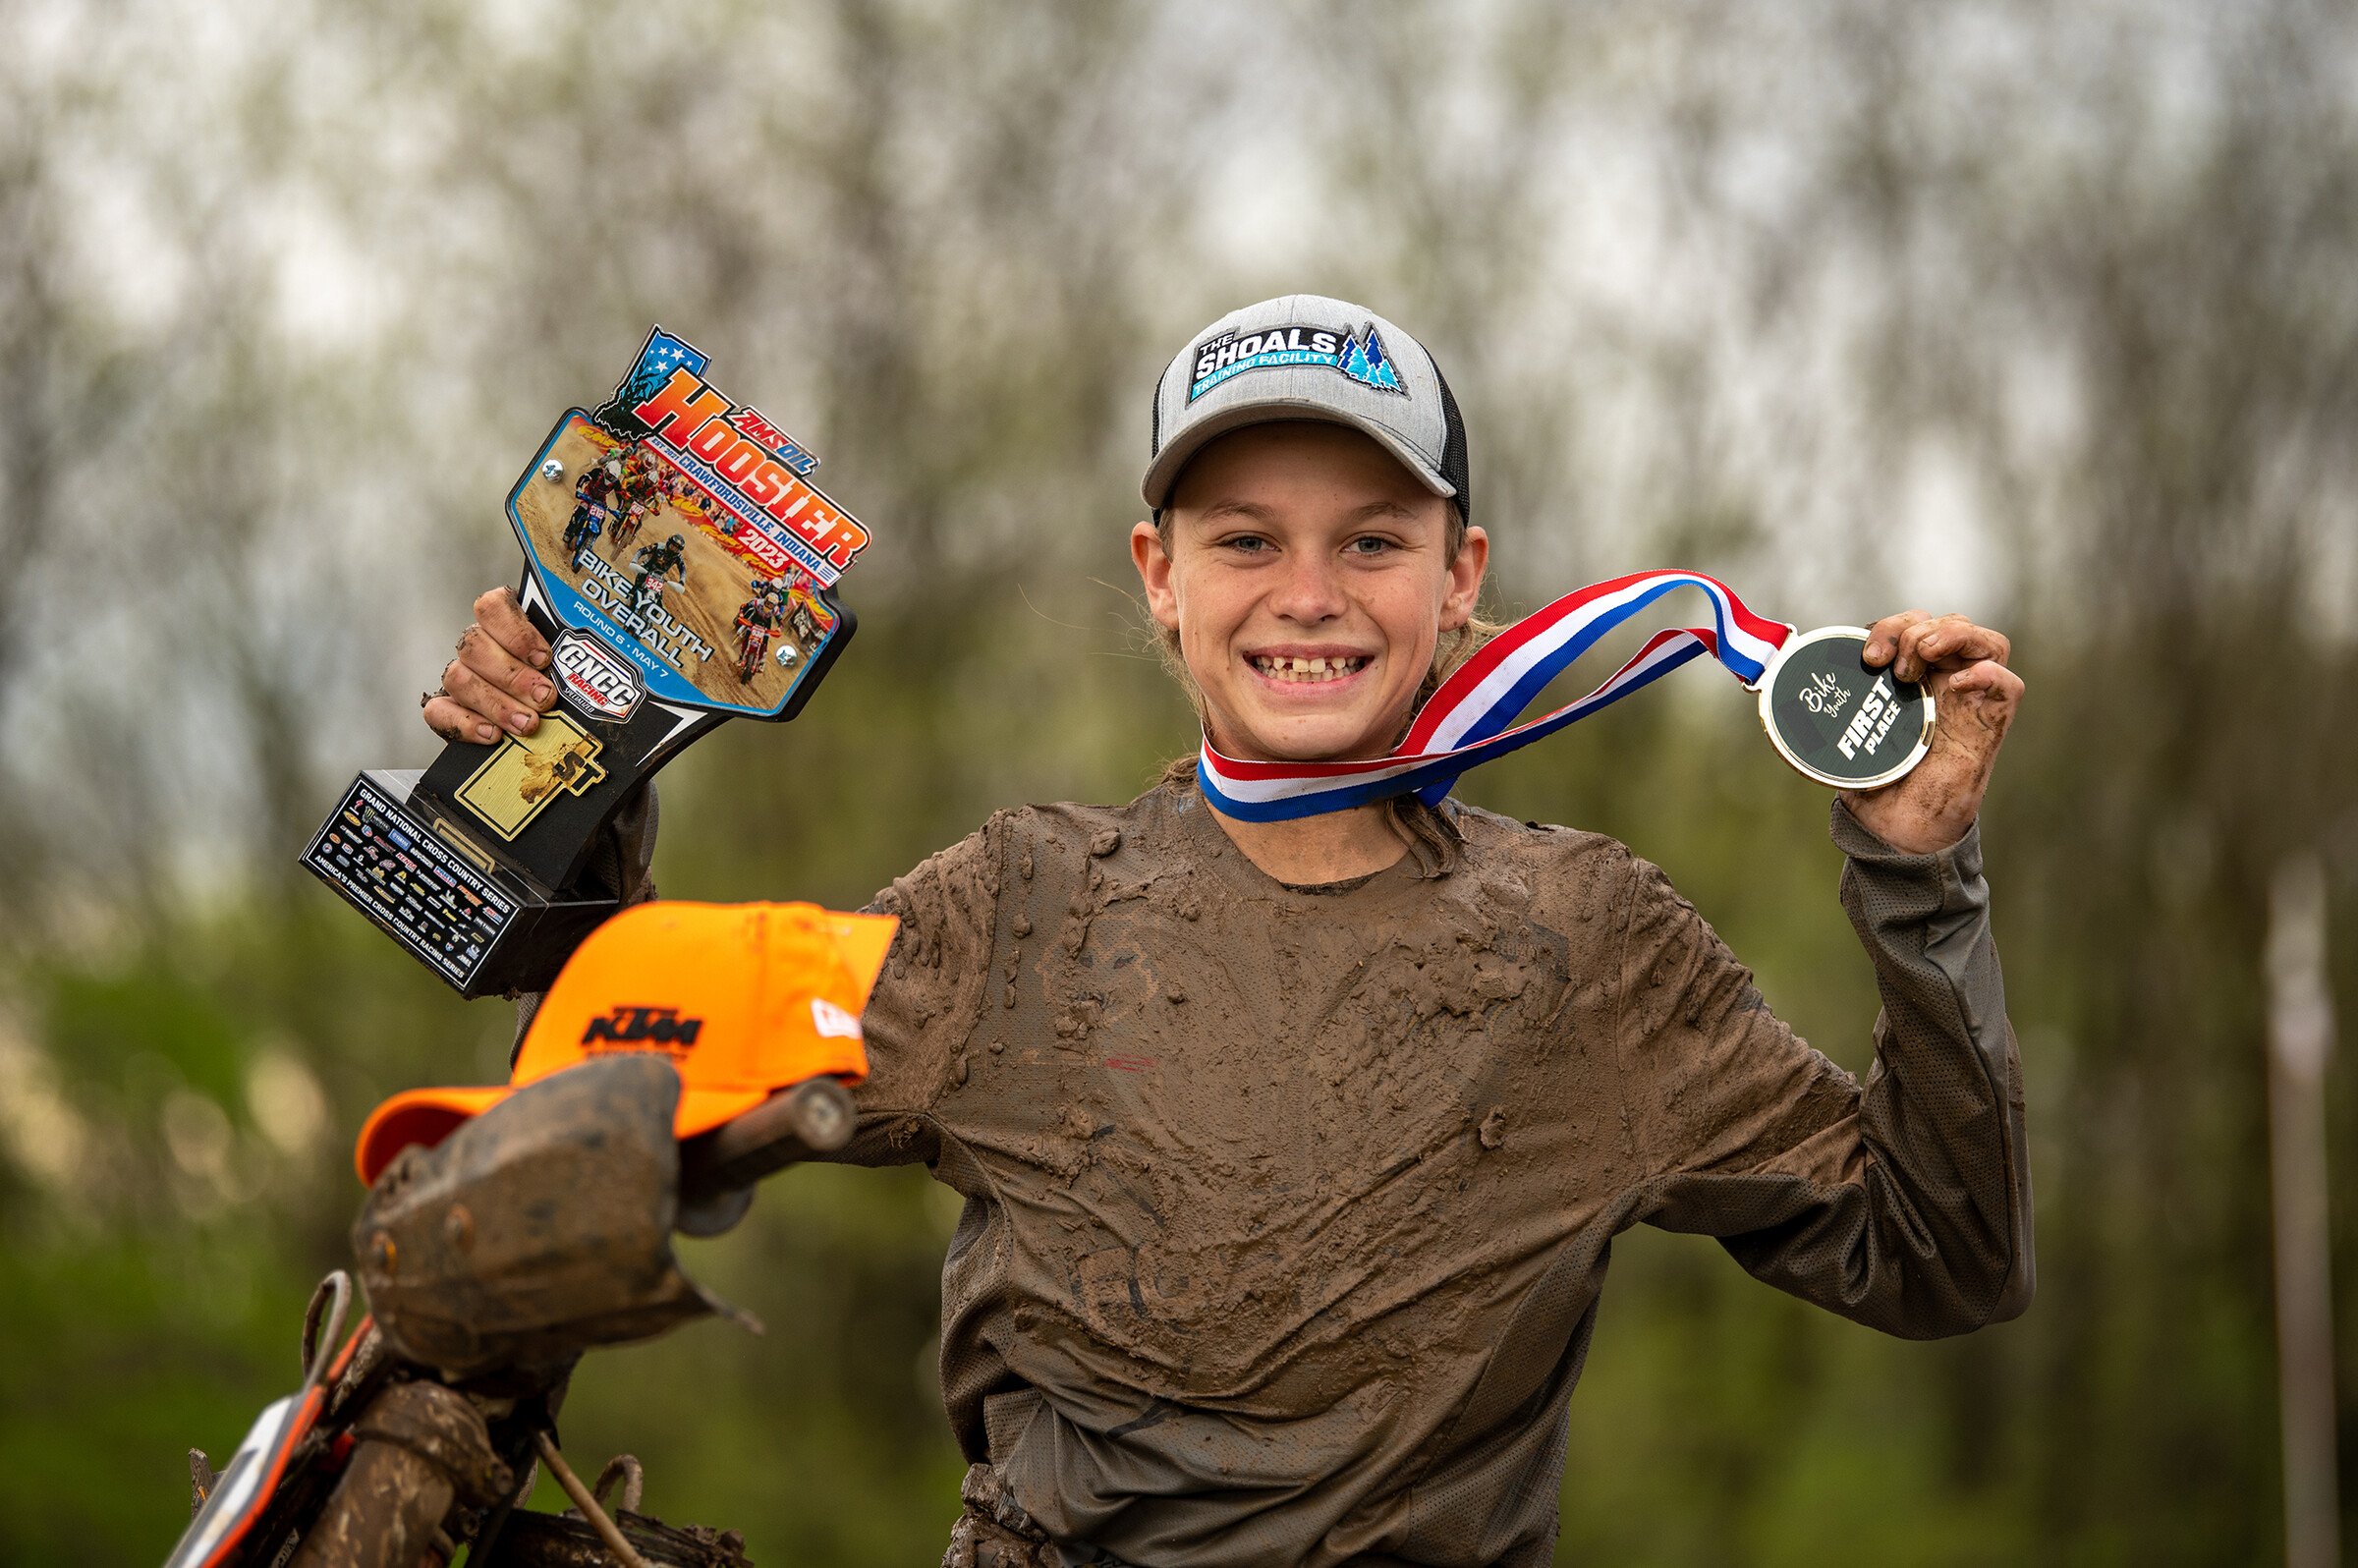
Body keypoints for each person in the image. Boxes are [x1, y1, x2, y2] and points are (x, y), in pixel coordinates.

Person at [422, 295, 2031, 1568]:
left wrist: (1920, 874)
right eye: (1246, 539)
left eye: (1373, 540)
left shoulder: (1586, 943)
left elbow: (1940, 1254)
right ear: (1160, 578)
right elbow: (609, 1109)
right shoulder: (1022, 905)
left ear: (1463, 575)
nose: (1308, 592)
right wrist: (567, 758)